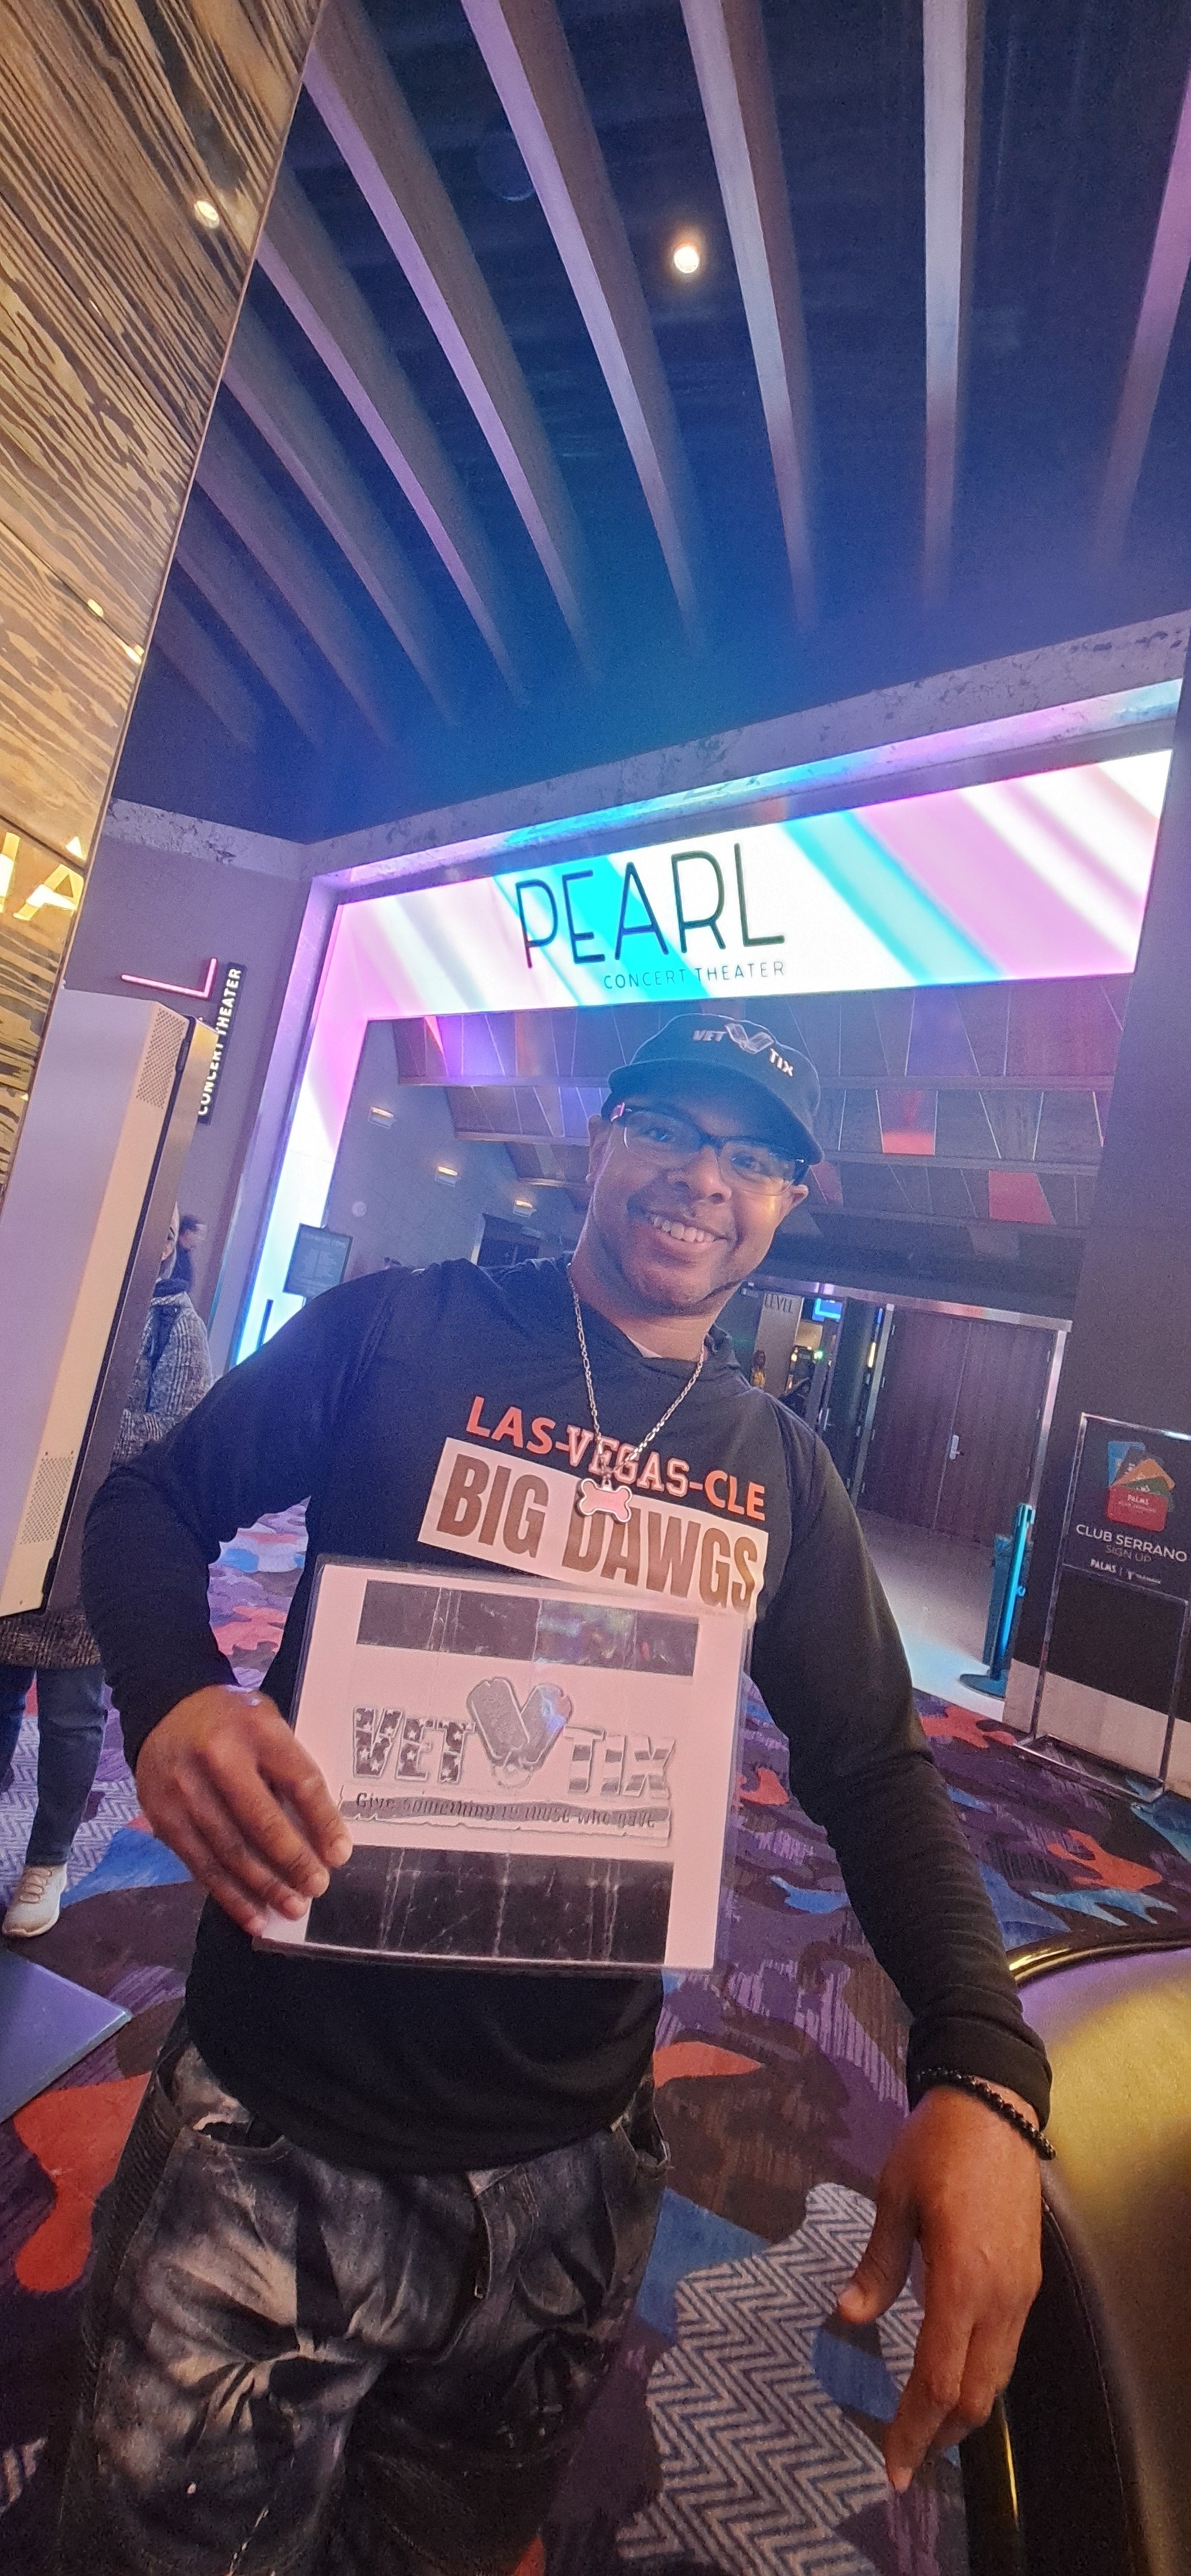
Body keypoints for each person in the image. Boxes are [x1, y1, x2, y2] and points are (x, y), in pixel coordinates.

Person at [67, 1016, 1049, 2576]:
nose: (704, 1178)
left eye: (752, 1157)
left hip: (565, 2180)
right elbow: (151, 1502)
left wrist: (985, 2067)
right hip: (272, 2129)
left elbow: (874, 1767)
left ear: (789, 1200)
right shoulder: (400, 1329)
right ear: (601, 1141)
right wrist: (178, 1697)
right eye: (670, 1129)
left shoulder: (781, 1472)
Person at [0, 1209, 212, 1938]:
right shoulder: (56, 1298)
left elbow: (172, 1432)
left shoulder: (172, 1326)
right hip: (18, 1525)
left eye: (162, 1236)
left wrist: (65, 1425)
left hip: (93, 1542)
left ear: (168, 1247)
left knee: (69, 1712)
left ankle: (48, 1859)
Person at [165, 1212, 207, 1297]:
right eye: (199, 1234)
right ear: (188, 1233)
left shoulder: (186, 1257)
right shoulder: (169, 1252)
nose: (202, 1239)